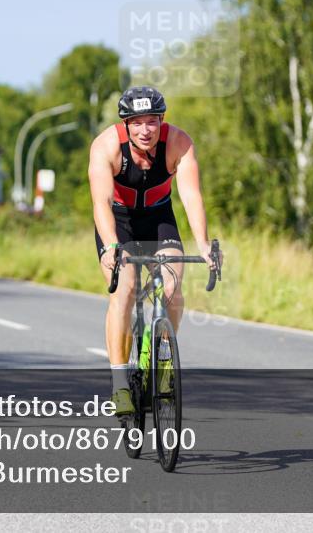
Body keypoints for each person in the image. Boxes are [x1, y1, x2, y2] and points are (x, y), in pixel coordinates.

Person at [88, 86, 219, 416]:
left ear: (162, 121)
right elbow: (101, 203)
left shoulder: (179, 144)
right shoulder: (106, 147)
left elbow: (191, 196)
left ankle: (162, 358)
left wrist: (203, 243)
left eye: (152, 122)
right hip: (118, 220)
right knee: (126, 288)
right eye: (137, 123)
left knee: (173, 287)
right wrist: (112, 247)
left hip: (159, 216)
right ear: (126, 125)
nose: (145, 130)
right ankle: (120, 385)